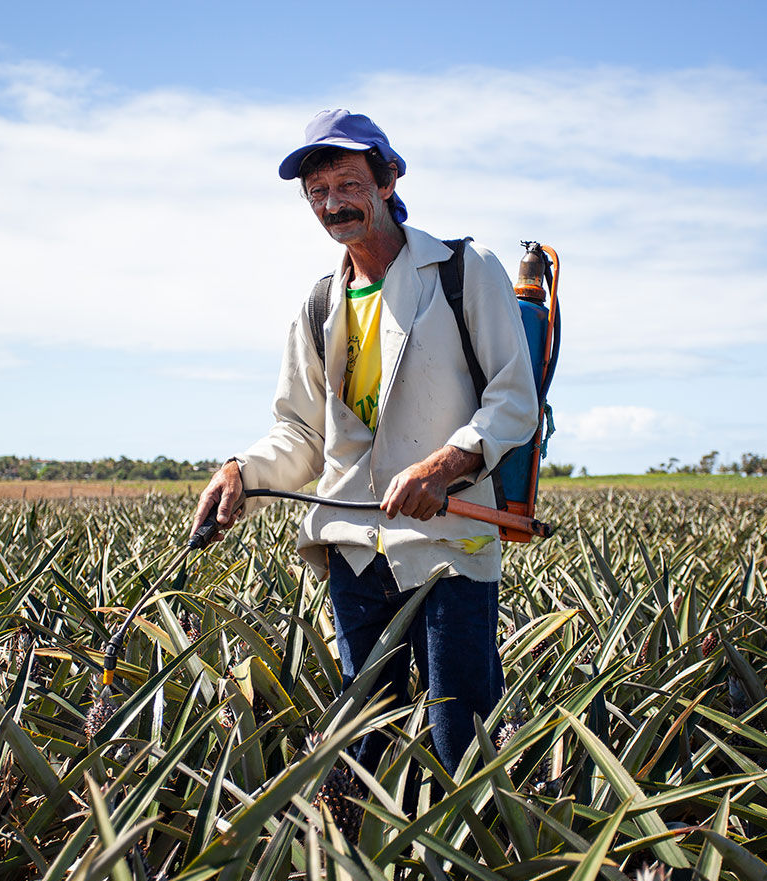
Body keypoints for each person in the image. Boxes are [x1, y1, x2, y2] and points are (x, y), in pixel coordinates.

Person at [193, 109, 538, 776]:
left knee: (458, 741)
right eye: (317, 193)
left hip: (449, 543)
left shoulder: (463, 271)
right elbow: (300, 433)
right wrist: (241, 472)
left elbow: (512, 399)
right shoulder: (321, 304)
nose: (332, 204)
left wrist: (444, 465)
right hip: (353, 545)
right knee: (363, 744)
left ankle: (465, 870)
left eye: (348, 184)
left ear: (388, 180)